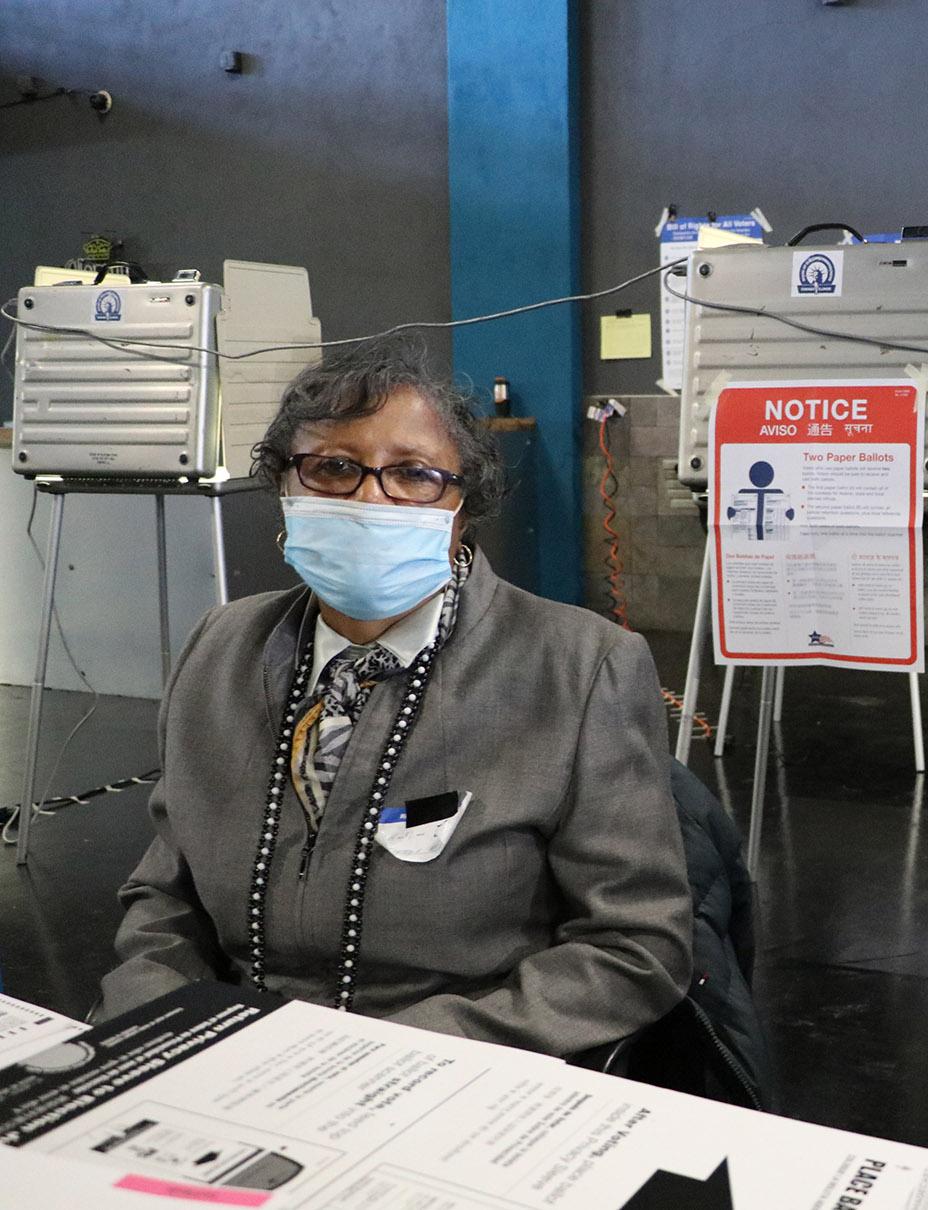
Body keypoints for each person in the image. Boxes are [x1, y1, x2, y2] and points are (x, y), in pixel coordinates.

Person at [98, 339, 693, 1059]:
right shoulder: (220, 648)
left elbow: (632, 946)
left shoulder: (579, 668)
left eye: (413, 475)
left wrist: (386, 1060)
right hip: (224, 1060)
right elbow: (166, 897)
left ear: (463, 506)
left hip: (452, 1072)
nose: (369, 499)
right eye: (333, 469)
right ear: (284, 488)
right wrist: (157, 1031)